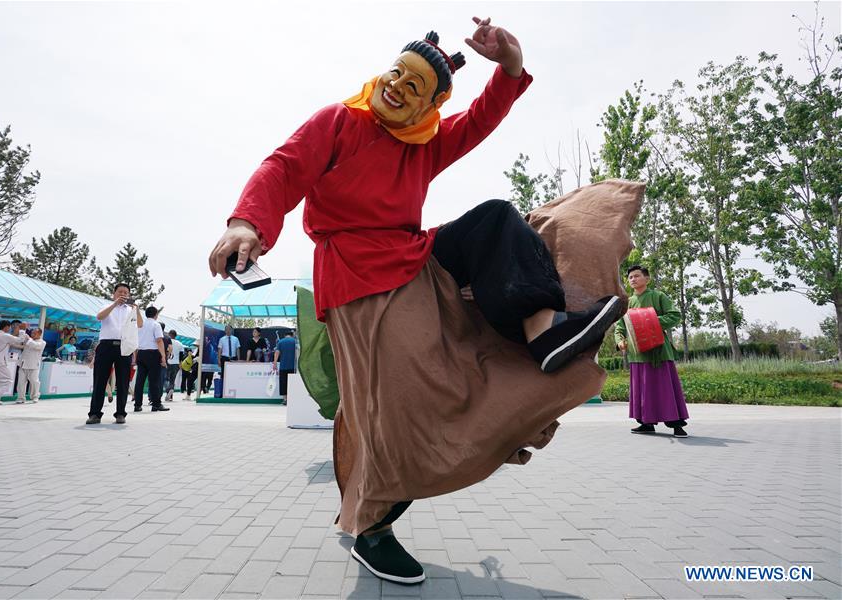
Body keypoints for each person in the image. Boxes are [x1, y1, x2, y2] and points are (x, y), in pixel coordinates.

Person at [209, 18, 623, 584]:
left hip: (415, 258)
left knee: (497, 219)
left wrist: (510, 65)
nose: (398, 86)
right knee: (400, 405)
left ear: (427, 107)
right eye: (395, 73)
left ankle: (544, 328)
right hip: (357, 276)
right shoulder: (339, 121)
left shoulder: (423, 147)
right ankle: (372, 527)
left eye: (415, 87)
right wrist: (245, 223)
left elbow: (480, 120)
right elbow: (283, 167)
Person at [614, 265, 690, 437]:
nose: (633, 279)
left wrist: (648, 320)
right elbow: (620, 327)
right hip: (637, 354)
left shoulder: (658, 296)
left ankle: (676, 424)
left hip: (659, 353)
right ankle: (646, 423)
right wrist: (620, 341)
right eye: (630, 277)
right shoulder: (627, 303)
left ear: (647, 279)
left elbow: (674, 315)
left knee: (665, 389)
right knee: (642, 391)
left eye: (637, 276)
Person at [87, 283, 143, 425]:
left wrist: (137, 310)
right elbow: (99, 317)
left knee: (123, 381)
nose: (122, 294)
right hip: (106, 345)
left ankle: (120, 414)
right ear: (114, 293)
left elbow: (140, 324)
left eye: (125, 292)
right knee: (100, 381)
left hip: (124, 347)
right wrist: (114, 304)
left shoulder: (131, 310)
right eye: (120, 292)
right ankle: (95, 414)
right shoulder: (107, 307)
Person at [133, 307, 170, 413]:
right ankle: (156, 404)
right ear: (156, 314)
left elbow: (136, 342)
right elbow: (159, 341)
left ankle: (137, 405)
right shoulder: (156, 324)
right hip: (153, 354)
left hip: (141, 353)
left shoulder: (140, 325)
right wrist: (163, 356)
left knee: (139, 381)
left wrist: (135, 356)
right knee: (154, 381)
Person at [0, 320, 27, 405]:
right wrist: (22, 330)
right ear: (6, 327)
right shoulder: (5, 336)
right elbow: (20, 339)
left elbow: (12, 342)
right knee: (7, 380)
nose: (10, 328)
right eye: (10, 327)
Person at [15, 328, 46, 404]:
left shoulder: (42, 342)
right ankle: (21, 398)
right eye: (32, 333)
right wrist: (22, 334)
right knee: (21, 382)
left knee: (34, 381)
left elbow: (35, 346)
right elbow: (20, 342)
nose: (32, 335)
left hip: (34, 365)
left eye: (34, 333)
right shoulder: (29, 340)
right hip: (23, 363)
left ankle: (35, 396)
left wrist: (29, 339)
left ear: (39, 334)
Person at [272, 330, 297, 406]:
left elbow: (277, 352)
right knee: (292, 384)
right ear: (292, 335)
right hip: (293, 366)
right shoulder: (295, 341)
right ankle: (292, 399)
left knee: (283, 383)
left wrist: (275, 363)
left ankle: (285, 399)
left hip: (283, 366)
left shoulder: (281, 342)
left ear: (285, 336)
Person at [164, 330, 184, 401]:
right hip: (176, 364)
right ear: (176, 335)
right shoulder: (180, 344)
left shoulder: (167, 341)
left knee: (165, 379)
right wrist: (180, 363)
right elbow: (181, 355)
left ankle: (168, 390)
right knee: (172, 380)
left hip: (167, 362)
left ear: (169, 334)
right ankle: (170, 395)